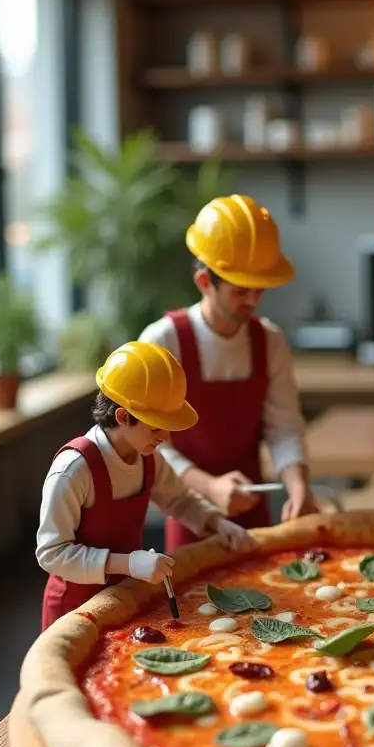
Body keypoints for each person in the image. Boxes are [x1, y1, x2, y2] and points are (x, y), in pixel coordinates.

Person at [139, 194, 316, 551]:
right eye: (240, 291)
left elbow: (284, 426)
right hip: (190, 509)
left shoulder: (270, 340)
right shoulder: (163, 341)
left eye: (259, 289)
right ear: (205, 281)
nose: (253, 301)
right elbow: (148, 445)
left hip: (254, 508)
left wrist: (300, 490)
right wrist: (209, 487)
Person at [37, 341, 254, 631]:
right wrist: (127, 563)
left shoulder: (149, 457)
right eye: (155, 426)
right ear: (123, 416)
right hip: (73, 611)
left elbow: (180, 501)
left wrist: (217, 524)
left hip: (126, 597)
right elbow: (51, 554)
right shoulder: (73, 471)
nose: (164, 436)